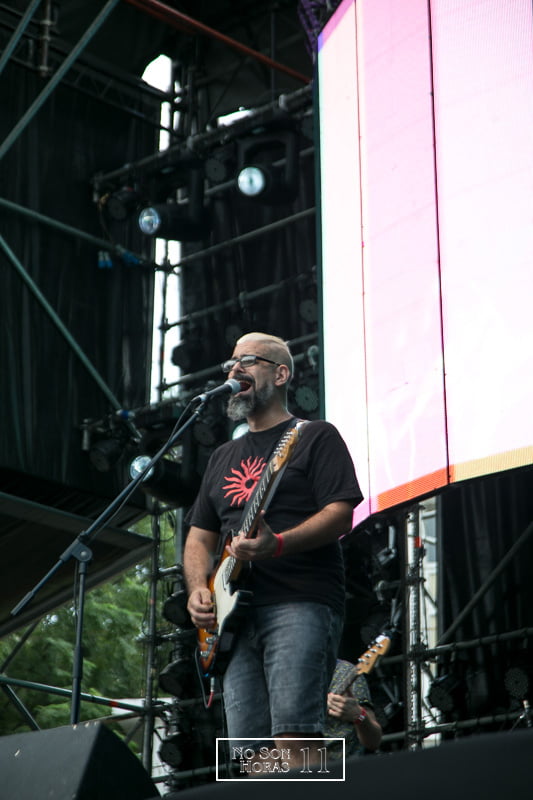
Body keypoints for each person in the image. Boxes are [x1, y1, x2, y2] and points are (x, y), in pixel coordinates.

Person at [183, 332, 363, 772]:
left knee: (296, 742)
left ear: (281, 374)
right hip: (232, 620)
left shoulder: (314, 436)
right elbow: (199, 537)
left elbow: (340, 515)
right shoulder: (222, 456)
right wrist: (197, 589)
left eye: (247, 360)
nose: (234, 370)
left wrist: (276, 544)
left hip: (299, 600)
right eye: (230, 363)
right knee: (252, 758)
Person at [326, 659, 382, 759]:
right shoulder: (294, 680)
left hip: (344, 764)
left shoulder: (344, 672)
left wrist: (359, 715)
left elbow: (374, 742)